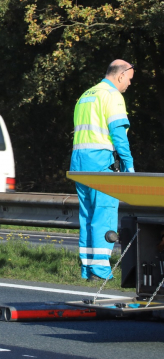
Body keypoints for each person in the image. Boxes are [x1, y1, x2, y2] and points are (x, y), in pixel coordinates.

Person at [71, 60, 135, 282]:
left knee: (87, 217)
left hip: (79, 163)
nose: (129, 84)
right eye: (129, 79)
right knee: (104, 215)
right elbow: (118, 133)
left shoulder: (87, 94)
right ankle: (100, 272)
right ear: (120, 76)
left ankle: (87, 270)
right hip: (100, 163)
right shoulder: (112, 95)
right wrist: (129, 164)